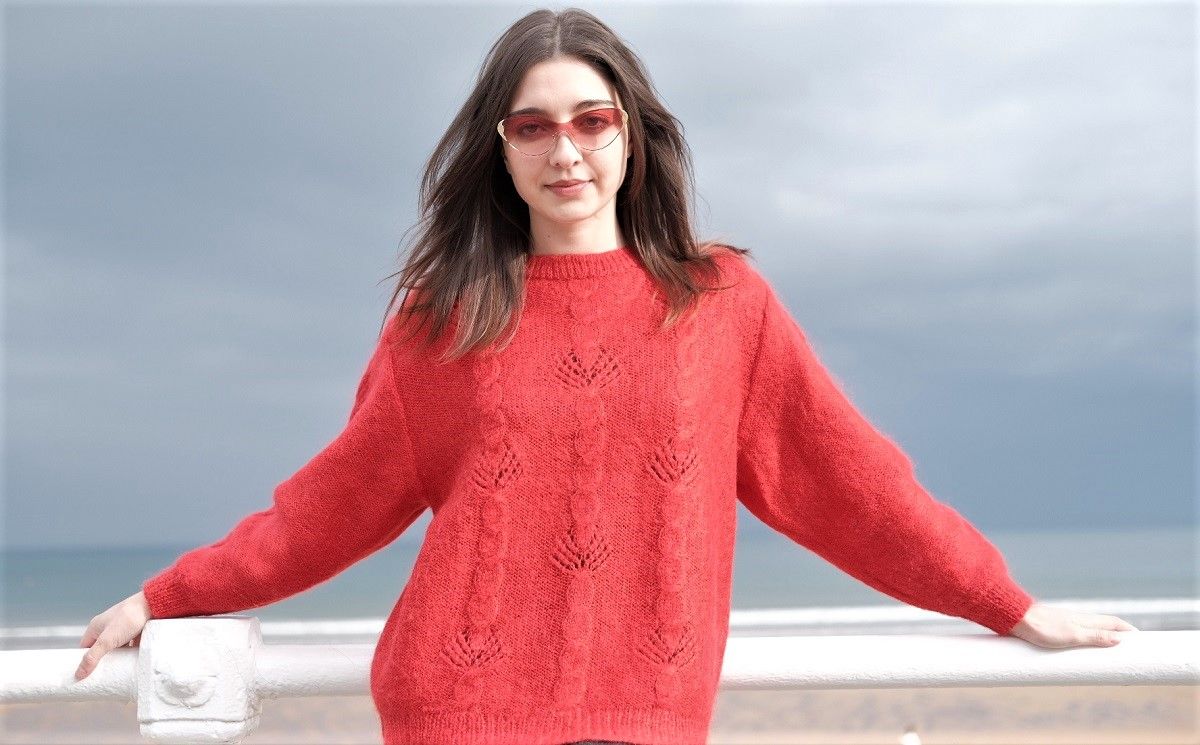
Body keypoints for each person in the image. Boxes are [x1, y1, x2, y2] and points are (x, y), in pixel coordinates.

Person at [74, 7, 1139, 745]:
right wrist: (172, 594)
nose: (565, 149)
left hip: (648, 713)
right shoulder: (445, 317)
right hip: (457, 712)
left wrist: (1005, 604)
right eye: (532, 125)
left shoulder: (721, 302)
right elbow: (329, 506)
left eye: (591, 119)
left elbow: (850, 483)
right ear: (500, 147)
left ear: (632, 133)